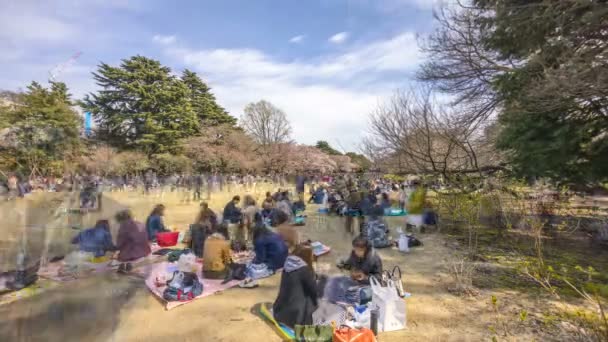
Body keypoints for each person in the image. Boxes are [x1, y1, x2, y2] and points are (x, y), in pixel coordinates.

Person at [273, 240, 318, 328]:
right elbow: (315, 291)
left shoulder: (288, 263)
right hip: (295, 317)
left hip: (280, 311)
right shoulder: (304, 270)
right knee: (314, 299)